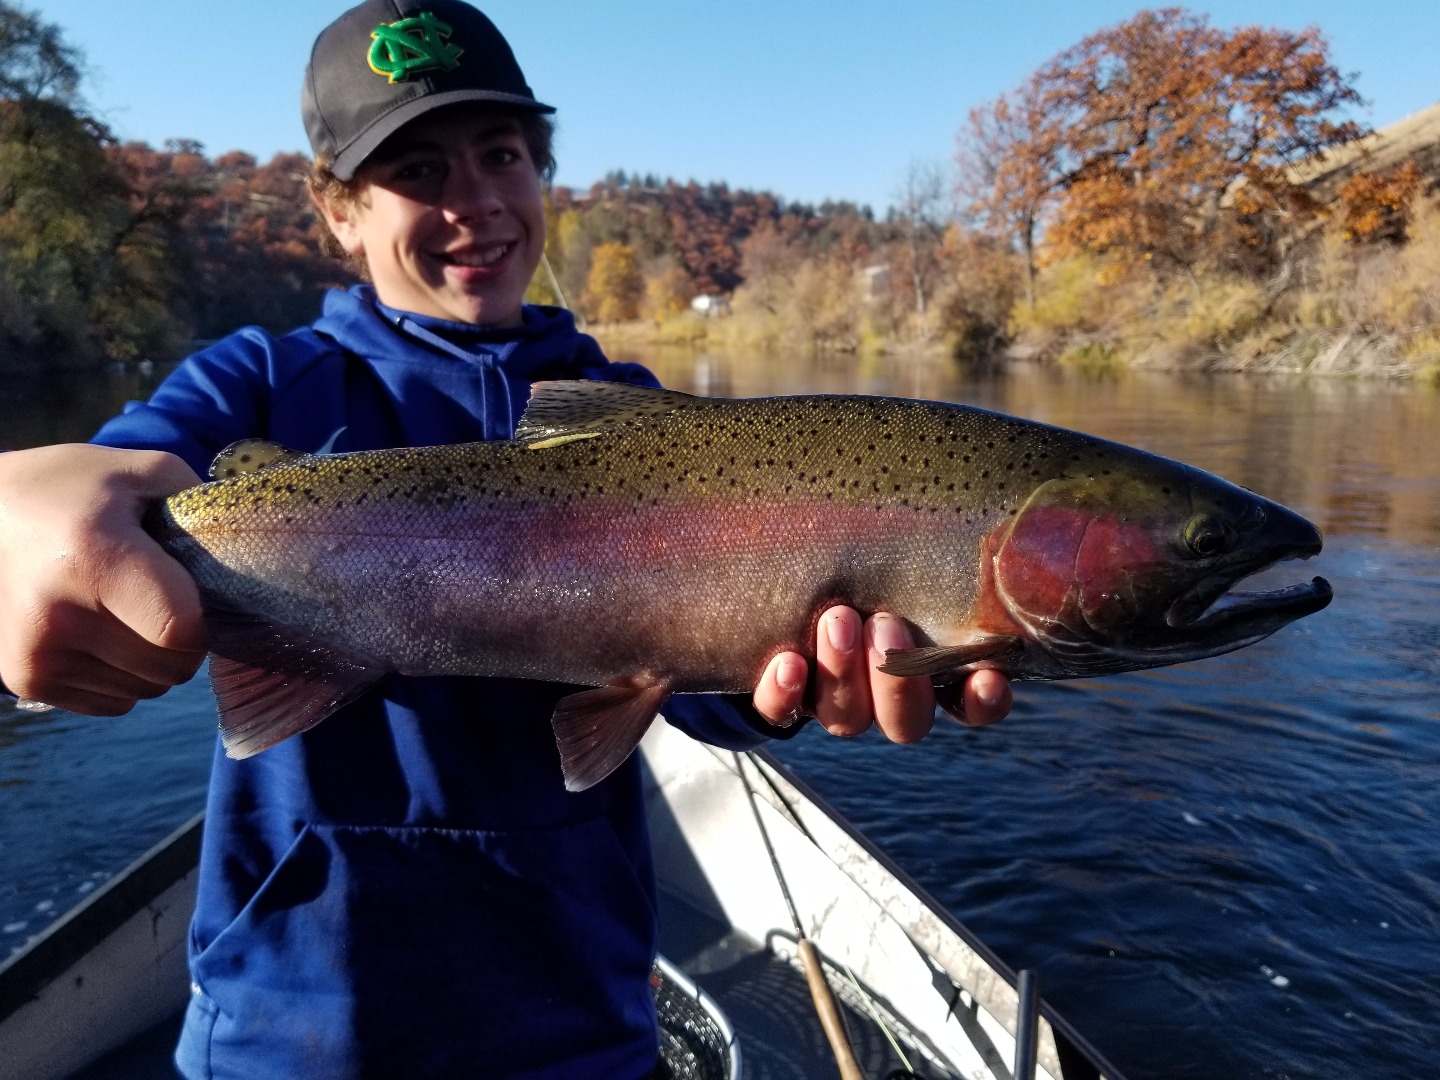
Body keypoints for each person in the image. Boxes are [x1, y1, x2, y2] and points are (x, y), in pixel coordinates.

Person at [0, 2, 1013, 1076]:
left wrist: (806, 677)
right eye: (419, 171)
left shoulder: (639, 415)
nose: (475, 202)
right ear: (340, 214)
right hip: (296, 1018)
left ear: (542, 174)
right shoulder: (250, 384)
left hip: (576, 1014)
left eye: (502, 155)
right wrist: (24, 512)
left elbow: (717, 704)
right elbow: (97, 499)